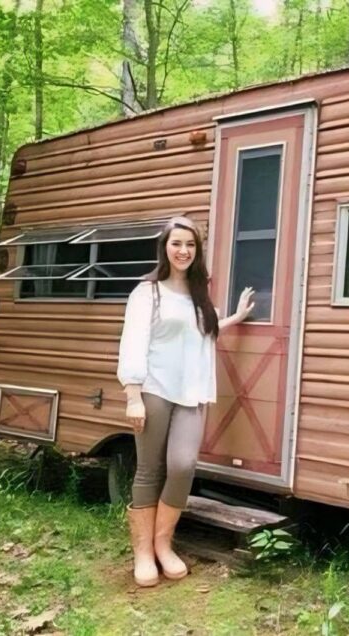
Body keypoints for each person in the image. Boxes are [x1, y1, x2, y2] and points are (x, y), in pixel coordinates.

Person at [116, 215, 254, 587]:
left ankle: (164, 545)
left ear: (197, 251)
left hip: (192, 393)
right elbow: (133, 343)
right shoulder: (148, 292)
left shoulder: (198, 294)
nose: (183, 250)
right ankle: (144, 552)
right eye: (177, 243)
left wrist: (235, 318)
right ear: (165, 248)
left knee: (182, 464)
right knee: (149, 470)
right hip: (155, 389)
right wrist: (133, 396)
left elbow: (201, 332)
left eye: (190, 245)